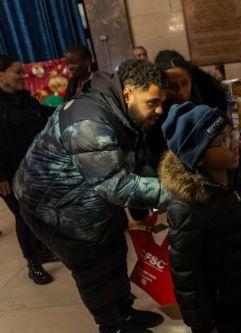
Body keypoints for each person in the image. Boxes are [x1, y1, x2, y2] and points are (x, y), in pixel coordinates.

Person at [14, 59, 171, 333]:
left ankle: (125, 313)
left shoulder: (122, 111)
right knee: (94, 270)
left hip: (88, 196)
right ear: (129, 93)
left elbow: (133, 162)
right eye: (153, 102)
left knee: (114, 253)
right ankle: (112, 326)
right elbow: (115, 186)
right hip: (54, 209)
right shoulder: (88, 120)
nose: (159, 110)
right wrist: (176, 192)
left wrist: (159, 182)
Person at [159, 102, 241, 333]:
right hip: (222, 308)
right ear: (199, 158)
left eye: (230, 133)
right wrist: (203, 324)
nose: (233, 144)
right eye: (221, 142)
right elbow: (187, 276)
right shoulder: (187, 206)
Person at [0, 54, 56, 284]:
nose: (23, 76)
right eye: (17, 72)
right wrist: (0, 175)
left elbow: (42, 114)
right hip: (9, 173)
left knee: (39, 211)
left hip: (36, 167)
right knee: (23, 216)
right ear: (1, 74)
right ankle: (33, 263)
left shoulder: (24, 97)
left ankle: (42, 249)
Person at [148, 50, 227, 169]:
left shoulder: (210, 99)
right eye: (172, 87)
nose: (180, 92)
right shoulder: (154, 116)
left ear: (191, 79)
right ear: (161, 86)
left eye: (185, 83)